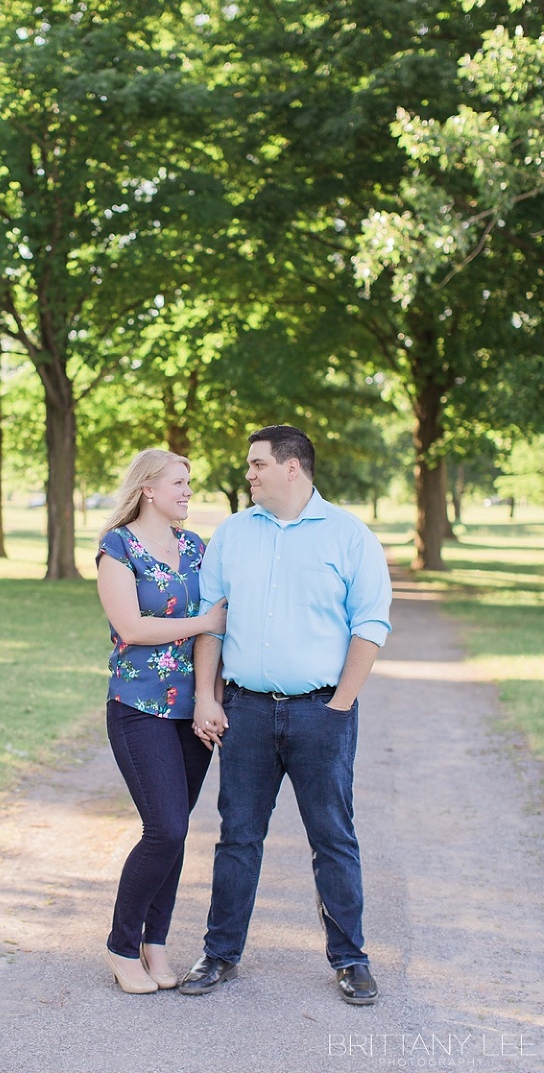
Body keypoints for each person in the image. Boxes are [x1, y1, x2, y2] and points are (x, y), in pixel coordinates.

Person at [178, 425, 391, 1005]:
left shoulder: (349, 537)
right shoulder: (233, 534)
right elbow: (210, 620)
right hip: (245, 712)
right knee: (237, 838)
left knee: (333, 838)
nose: (247, 473)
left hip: (322, 712)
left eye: (257, 464)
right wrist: (207, 695)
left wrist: (339, 705)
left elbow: (370, 625)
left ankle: (351, 959)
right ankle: (219, 954)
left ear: (292, 467)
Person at [96, 449, 227, 995]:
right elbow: (131, 626)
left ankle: (156, 943)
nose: (188, 491)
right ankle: (121, 945)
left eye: (190, 483)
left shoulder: (197, 549)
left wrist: (206, 698)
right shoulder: (117, 548)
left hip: (188, 711)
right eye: (179, 482)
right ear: (148, 487)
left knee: (177, 834)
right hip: (138, 708)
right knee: (166, 828)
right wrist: (203, 620)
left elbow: (213, 637)